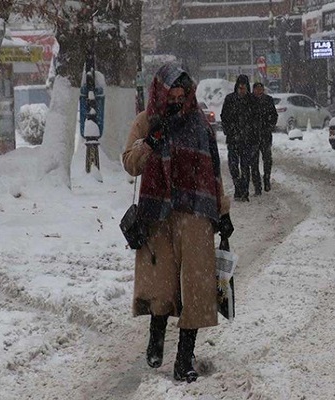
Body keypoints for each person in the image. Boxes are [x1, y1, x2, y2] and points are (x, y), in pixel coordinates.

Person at [122, 64, 234, 383]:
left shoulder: (200, 125)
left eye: (182, 92)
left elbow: (213, 175)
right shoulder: (146, 121)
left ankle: (185, 356)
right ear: (160, 90)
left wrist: (223, 214)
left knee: (198, 286)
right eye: (171, 92)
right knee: (161, 284)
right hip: (157, 215)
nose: (177, 98)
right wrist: (149, 144)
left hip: (196, 212)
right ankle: (156, 334)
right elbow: (130, 164)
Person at [221, 74, 255, 201]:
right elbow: (224, 116)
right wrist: (228, 130)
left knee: (245, 166)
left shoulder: (252, 101)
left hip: (247, 140)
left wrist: (253, 134)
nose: (242, 90)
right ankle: (238, 187)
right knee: (234, 166)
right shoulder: (230, 99)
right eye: (240, 88)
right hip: (233, 139)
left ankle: (244, 191)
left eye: (244, 88)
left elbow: (256, 119)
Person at [250, 82, 278, 194]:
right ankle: (257, 185)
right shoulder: (250, 100)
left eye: (260, 89)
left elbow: (274, 115)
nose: (259, 91)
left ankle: (266, 179)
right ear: (253, 90)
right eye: (257, 89)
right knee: (254, 161)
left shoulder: (268, 100)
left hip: (265, 135)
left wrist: (270, 126)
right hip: (253, 136)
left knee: (267, 159)